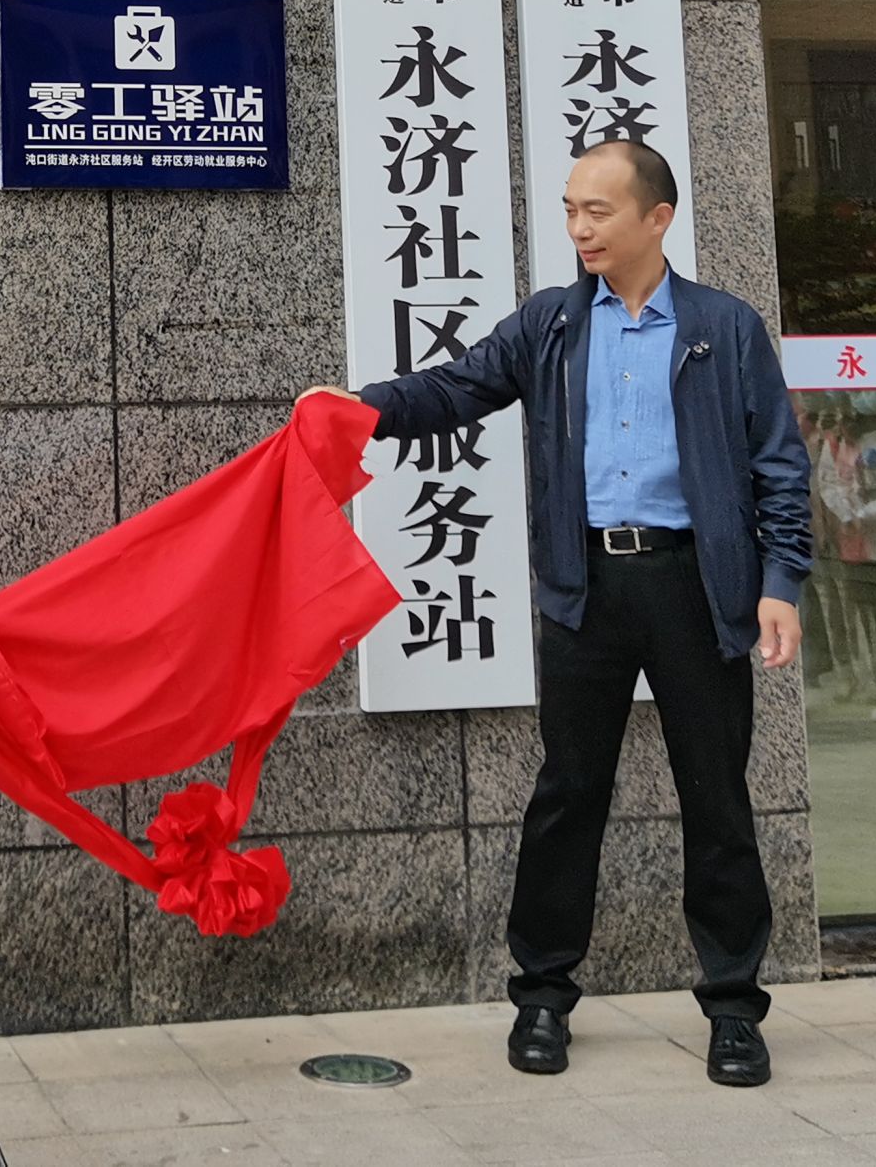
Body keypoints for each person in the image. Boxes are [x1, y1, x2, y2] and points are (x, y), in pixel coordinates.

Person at [339, 140, 810, 1090]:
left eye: (598, 210)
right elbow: (457, 386)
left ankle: (733, 1009)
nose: (579, 228)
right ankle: (543, 996)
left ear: (657, 218)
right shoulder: (551, 323)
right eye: (569, 209)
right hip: (585, 589)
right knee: (567, 795)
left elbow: (778, 463)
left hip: (695, 587)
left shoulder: (723, 327)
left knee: (717, 799)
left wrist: (780, 582)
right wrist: (355, 411)